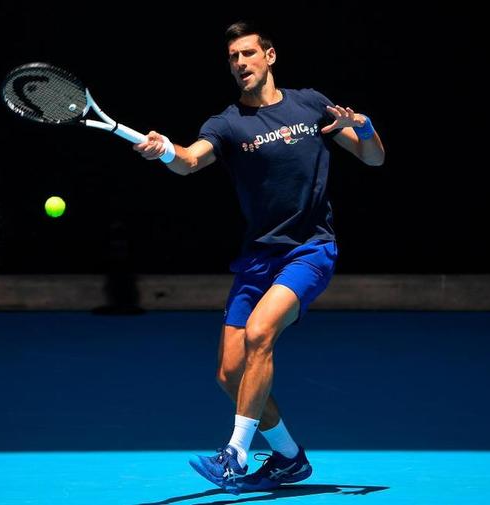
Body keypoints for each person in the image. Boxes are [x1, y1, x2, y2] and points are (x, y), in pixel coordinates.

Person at [133, 21, 385, 494]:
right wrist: (164, 149)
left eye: (248, 53)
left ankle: (236, 453)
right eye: (233, 57)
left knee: (260, 333)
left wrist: (365, 128)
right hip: (257, 258)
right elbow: (189, 161)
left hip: (310, 248)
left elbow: (373, 158)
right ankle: (289, 458)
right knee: (230, 373)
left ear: (270, 56)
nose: (241, 63)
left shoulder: (310, 103)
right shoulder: (227, 124)